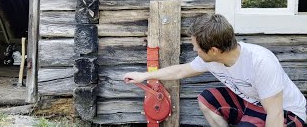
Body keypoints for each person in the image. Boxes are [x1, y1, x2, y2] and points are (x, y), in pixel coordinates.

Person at [123, 13, 306, 127]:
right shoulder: (212, 59)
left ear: (214, 50)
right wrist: (144, 76)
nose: (194, 50)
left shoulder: (261, 62)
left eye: (196, 47)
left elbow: (274, 114)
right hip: (254, 102)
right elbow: (180, 71)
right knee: (207, 99)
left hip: (286, 112)